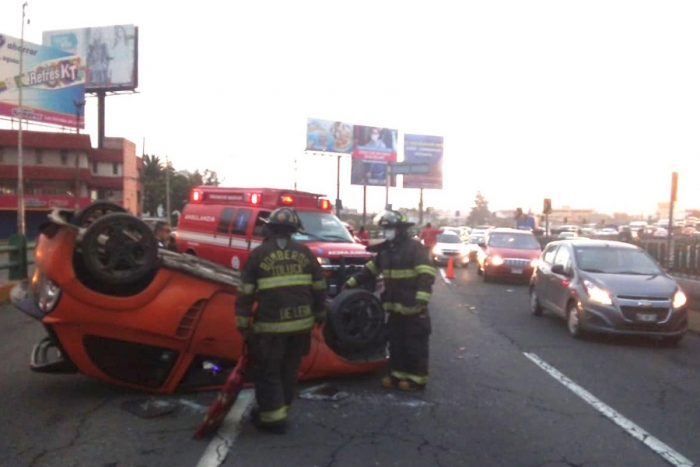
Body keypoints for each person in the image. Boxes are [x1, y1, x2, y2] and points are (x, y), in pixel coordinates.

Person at [235, 207, 327, 434]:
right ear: (294, 230)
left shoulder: (259, 254)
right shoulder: (305, 253)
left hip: (270, 327)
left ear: (270, 227)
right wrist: (320, 314)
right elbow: (319, 286)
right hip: (301, 325)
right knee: (289, 369)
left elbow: (245, 292)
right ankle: (280, 410)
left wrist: (243, 322)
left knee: (268, 371)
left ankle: (272, 418)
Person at [344, 210, 436, 392]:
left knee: (414, 344)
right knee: (396, 343)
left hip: (413, 308)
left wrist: (421, 299)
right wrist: (351, 282)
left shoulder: (414, 248)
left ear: (400, 230)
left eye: (390, 228)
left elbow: (427, 273)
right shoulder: (386, 251)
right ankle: (398, 375)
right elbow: (369, 270)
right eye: (386, 229)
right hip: (394, 307)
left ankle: (417, 379)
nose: (387, 232)